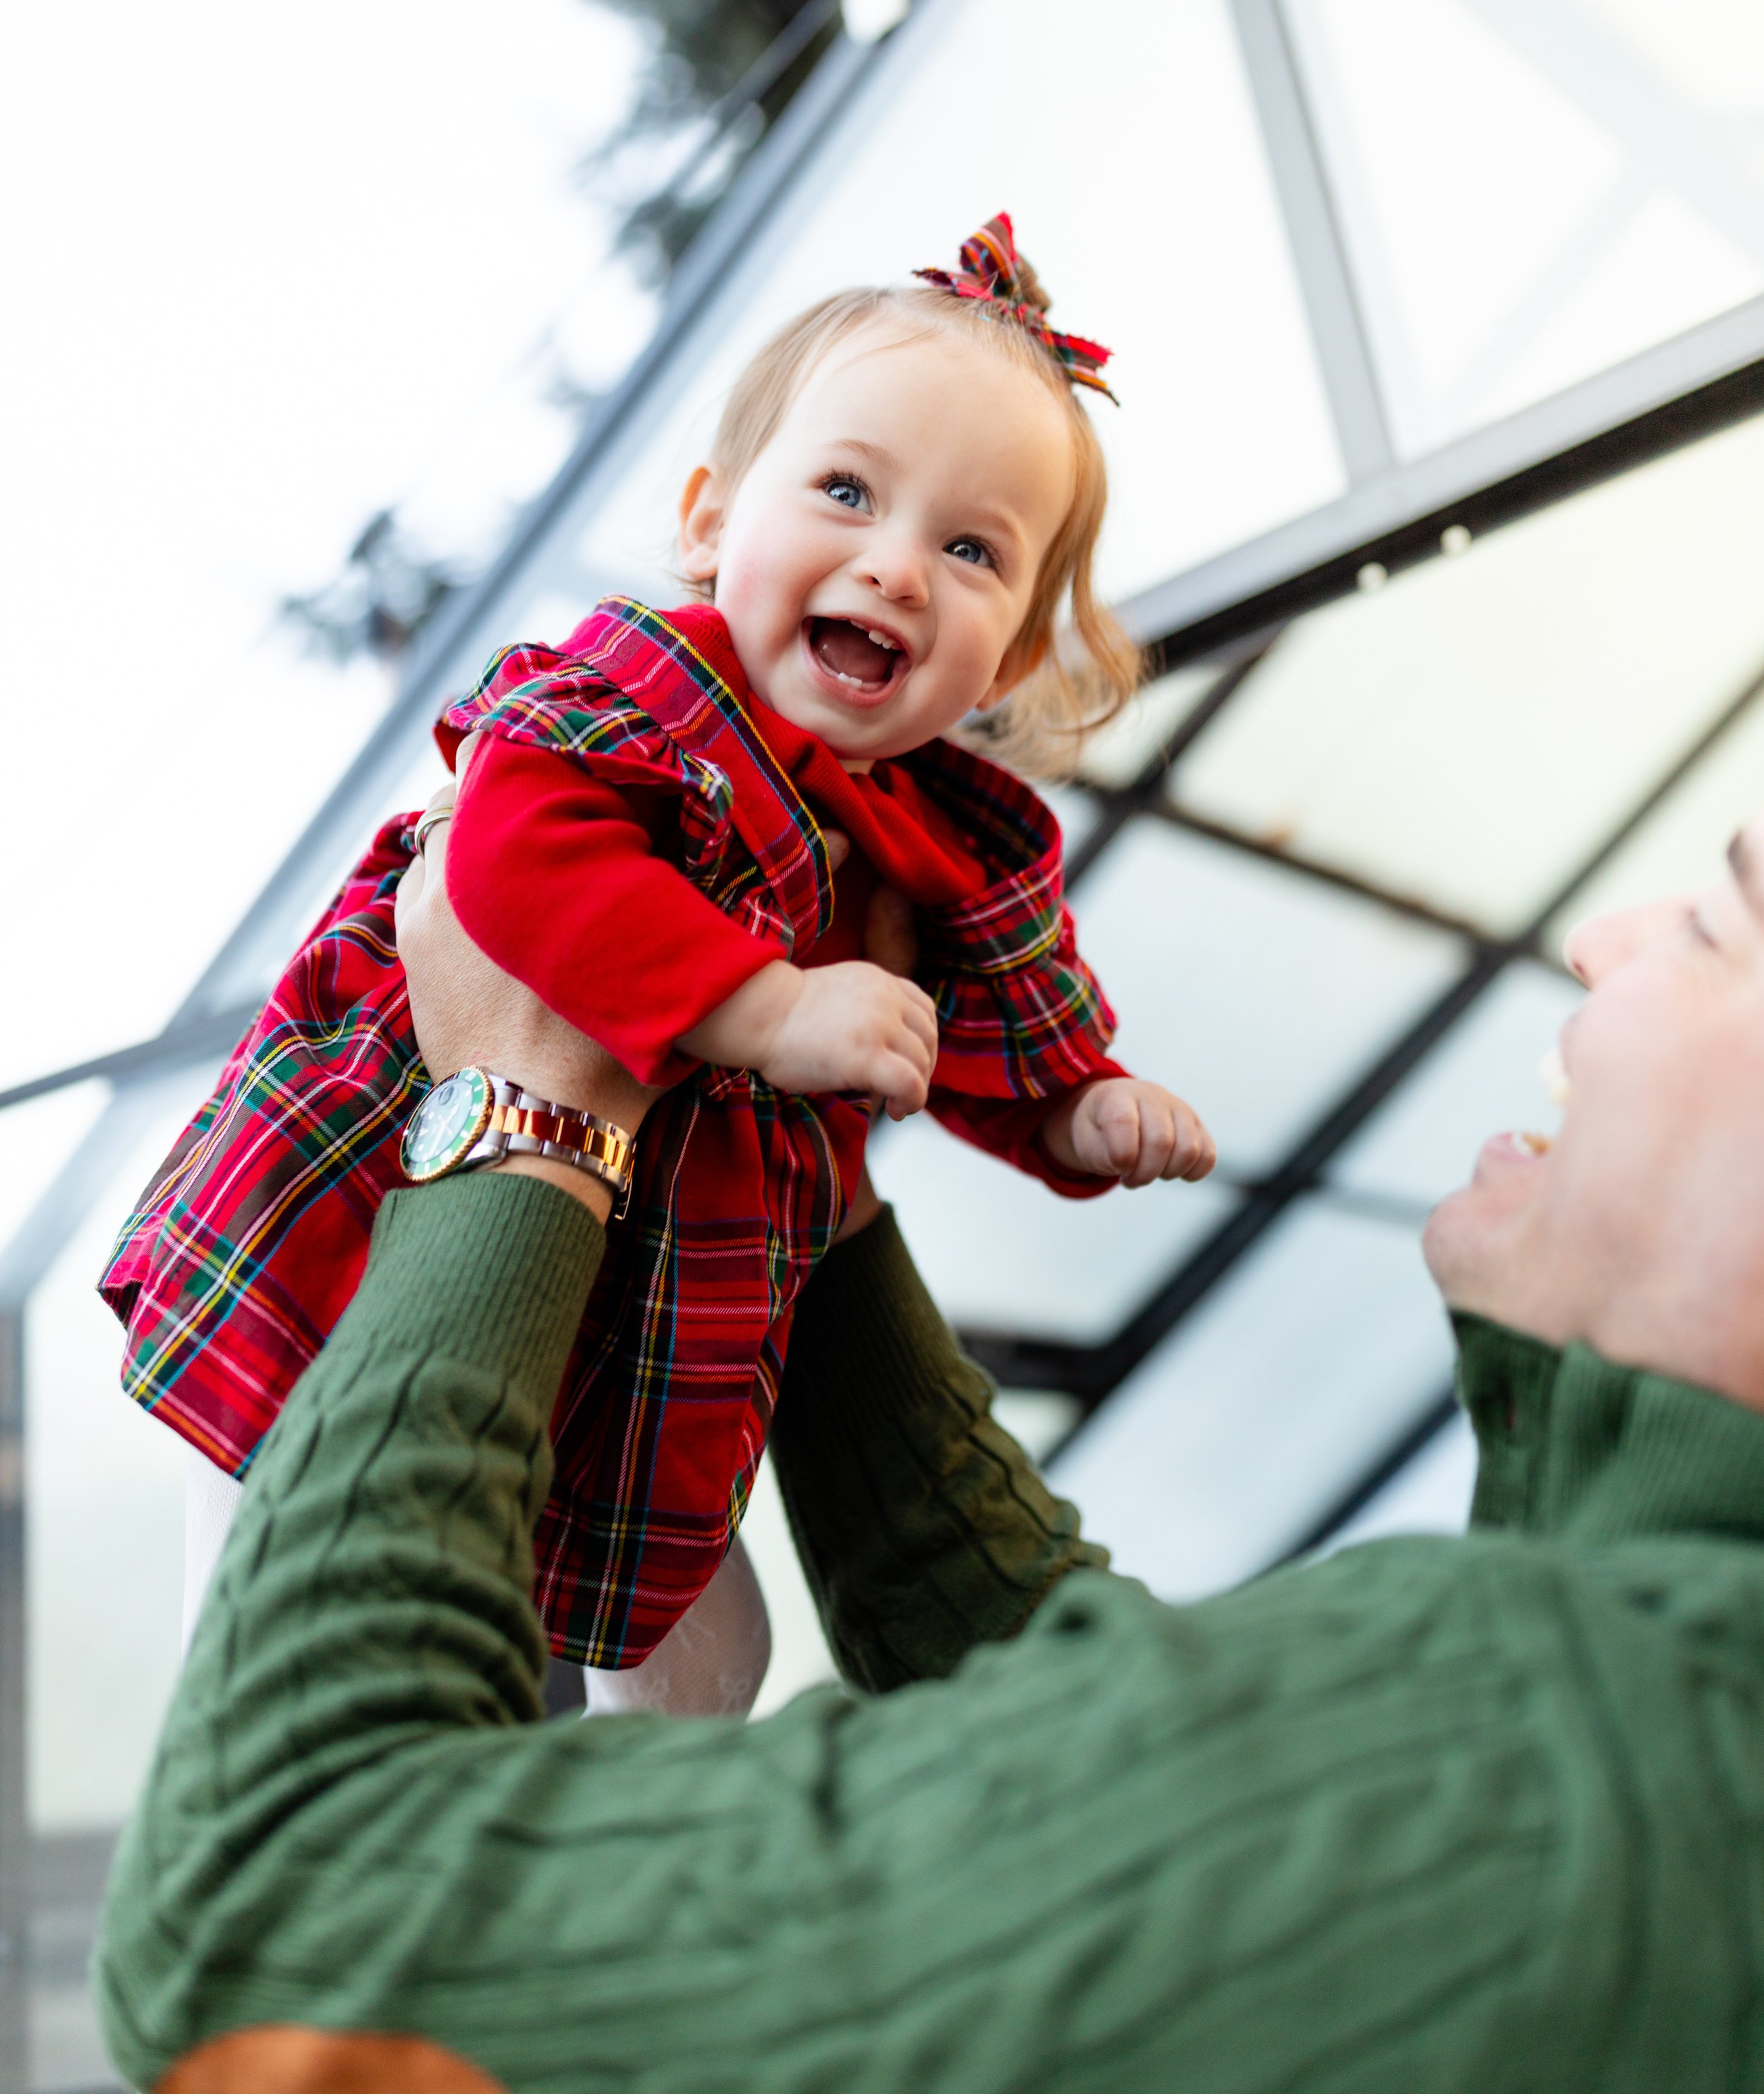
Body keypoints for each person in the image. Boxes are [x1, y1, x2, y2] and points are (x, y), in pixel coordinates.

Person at [97, 803, 1764, 2092]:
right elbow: (1122, 1746)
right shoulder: (1629, 1701)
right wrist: (779, 1135)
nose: (1607, 940)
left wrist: (527, 1109)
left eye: (1712, 922)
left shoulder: (1565, 1772)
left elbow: (272, 1945)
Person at [99, 214, 1214, 1705]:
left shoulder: (928, 834)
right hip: (369, 1230)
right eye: (844, 492)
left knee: (710, 1645)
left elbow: (974, 1025)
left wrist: (1073, 1112)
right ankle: (238, 1757)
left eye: (967, 550)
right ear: (707, 522)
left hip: (628, 1308)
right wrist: (765, 1005)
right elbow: (512, 859)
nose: (894, 568)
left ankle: (623, 1859)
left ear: (1004, 661)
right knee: (275, 1556)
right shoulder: (642, 687)